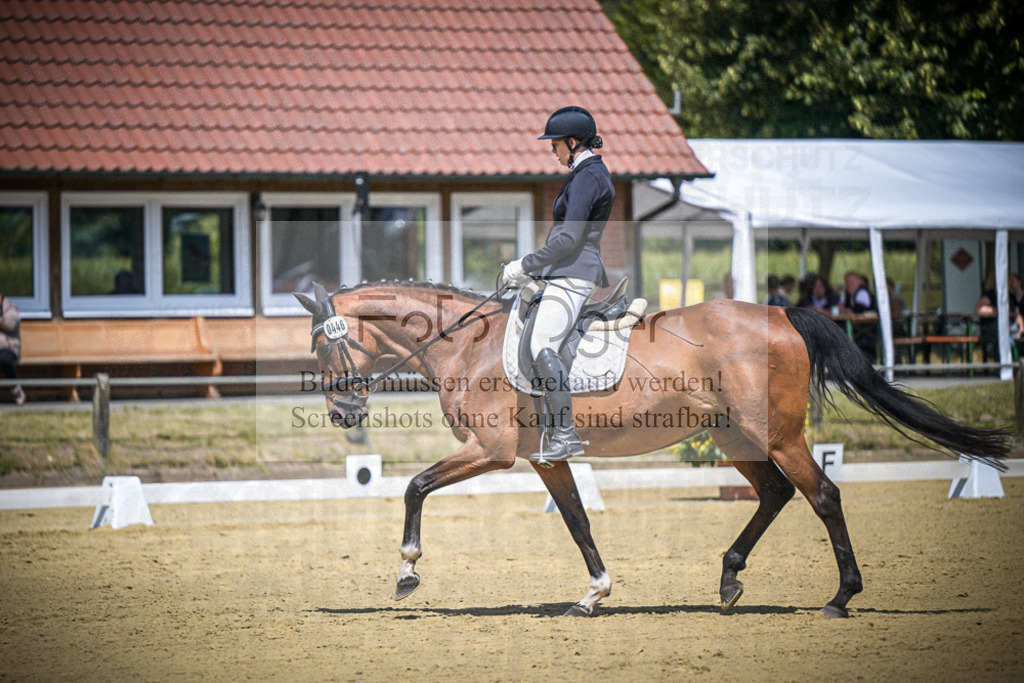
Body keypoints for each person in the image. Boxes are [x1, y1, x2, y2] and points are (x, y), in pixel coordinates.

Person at [501, 105, 614, 463]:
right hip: (565, 272)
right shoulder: (585, 174)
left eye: (555, 143)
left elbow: (568, 240)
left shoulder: (588, 177)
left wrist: (524, 265)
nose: (551, 149)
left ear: (572, 141)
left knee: (540, 344)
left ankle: (565, 435)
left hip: (575, 272)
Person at [975, 271, 1024, 356]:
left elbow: (1017, 314)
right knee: (1006, 332)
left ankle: (1014, 357)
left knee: (1010, 332)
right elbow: (979, 309)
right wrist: (996, 310)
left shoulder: (1010, 296)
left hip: (1010, 327)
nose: (1010, 282)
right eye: (1009, 280)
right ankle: (1010, 356)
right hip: (992, 327)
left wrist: (1021, 324)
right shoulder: (991, 294)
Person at [840, 271, 878, 358]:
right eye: (847, 282)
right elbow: (839, 307)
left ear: (858, 281)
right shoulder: (847, 295)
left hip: (867, 329)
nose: (849, 284)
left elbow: (856, 312)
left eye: (852, 281)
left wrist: (845, 310)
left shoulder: (862, 293)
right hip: (855, 328)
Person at [0, 294, 25, 405]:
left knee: (4, 360)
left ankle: (16, 389)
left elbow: (9, 325)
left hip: (8, 346)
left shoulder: (10, 309)